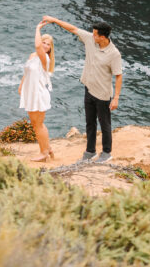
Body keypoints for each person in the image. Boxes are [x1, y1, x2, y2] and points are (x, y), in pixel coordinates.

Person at [42, 15, 122, 162]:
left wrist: (116, 98)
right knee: (89, 122)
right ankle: (90, 151)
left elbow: (118, 76)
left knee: (105, 124)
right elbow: (72, 28)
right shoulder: (90, 40)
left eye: (95, 34)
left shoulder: (114, 54)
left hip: (103, 94)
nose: (92, 35)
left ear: (102, 37)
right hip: (89, 89)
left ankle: (106, 152)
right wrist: (54, 20)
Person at [18, 20, 56, 161]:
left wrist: (38, 28)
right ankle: (48, 149)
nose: (45, 45)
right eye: (44, 42)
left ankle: (44, 153)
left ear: (50, 48)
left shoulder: (43, 57)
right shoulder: (33, 56)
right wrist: (21, 85)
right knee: (35, 124)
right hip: (31, 93)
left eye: (48, 44)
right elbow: (27, 72)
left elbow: (37, 44)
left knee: (38, 125)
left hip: (39, 94)